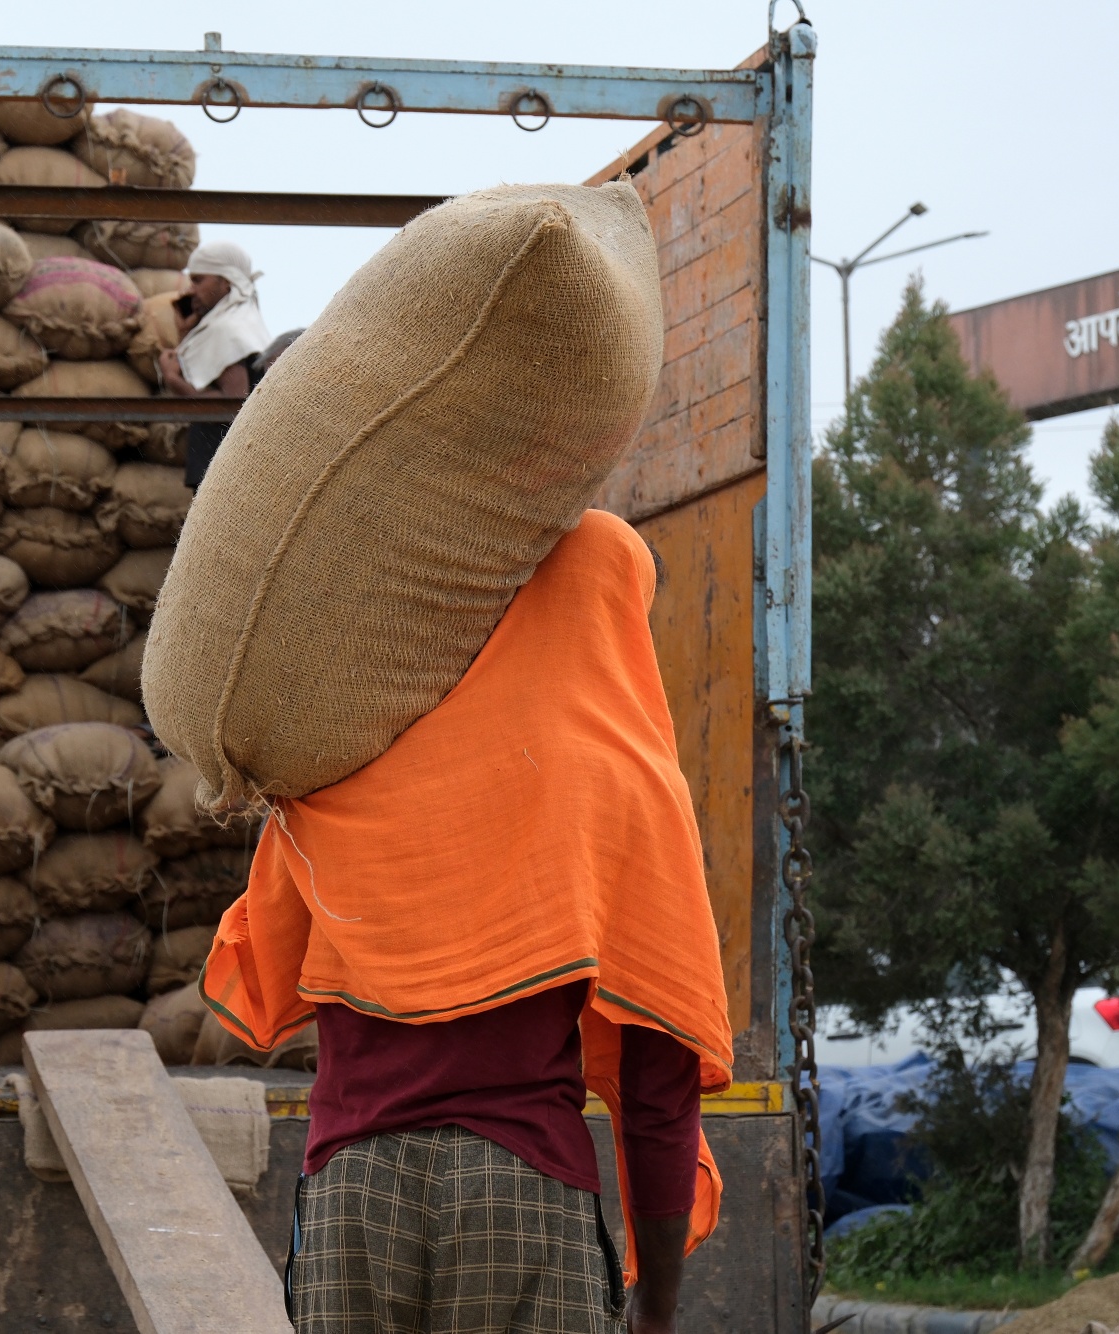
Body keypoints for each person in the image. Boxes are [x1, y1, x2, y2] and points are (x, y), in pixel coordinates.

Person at [200, 511, 731, 1334]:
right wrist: (655, 1308)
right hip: (522, 1196)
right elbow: (660, 1089)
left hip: (353, 1196)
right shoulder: (627, 785)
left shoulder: (350, 746)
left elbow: (273, 935)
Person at [157, 241, 274, 490]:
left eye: (199, 280)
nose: (191, 290)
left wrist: (175, 382)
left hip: (223, 470)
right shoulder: (240, 324)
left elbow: (231, 403)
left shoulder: (227, 330)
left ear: (226, 281)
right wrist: (187, 335)